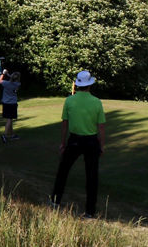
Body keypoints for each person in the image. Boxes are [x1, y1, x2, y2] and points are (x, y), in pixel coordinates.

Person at [51, 70, 106, 218]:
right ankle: (90, 211)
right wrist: (102, 145)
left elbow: (64, 124)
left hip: (74, 140)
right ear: (90, 85)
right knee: (92, 176)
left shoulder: (70, 100)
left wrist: (62, 143)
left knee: (63, 170)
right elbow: (101, 127)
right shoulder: (96, 102)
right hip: (91, 141)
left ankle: (55, 201)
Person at [0, 69, 21, 143]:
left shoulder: (5, 83)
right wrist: (8, 74)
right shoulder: (18, 84)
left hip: (5, 103)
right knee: (10, 120)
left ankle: (12, 135)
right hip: (12, 104)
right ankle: (4, 135)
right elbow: (13, 78)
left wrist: (3, 74)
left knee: (9, 119)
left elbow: (0, 80)